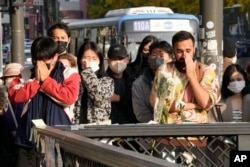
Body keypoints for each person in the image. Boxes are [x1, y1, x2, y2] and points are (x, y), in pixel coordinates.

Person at [8, 37, 80, 167]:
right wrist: (35, 82)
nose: (40, 63)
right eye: (37, 59)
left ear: (55, 57)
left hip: (59, 142)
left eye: (45, 59)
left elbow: (69, 97)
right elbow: (14, 96)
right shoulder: (25, 74)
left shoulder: (69, 73)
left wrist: (46, 81)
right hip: (28, 139)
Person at [132, 40, 173, 123]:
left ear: (170, 58)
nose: (157, 59)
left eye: (161, 55)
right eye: (154, 55)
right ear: (148, 58)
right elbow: (141, 113)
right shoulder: (138, 84)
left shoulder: (178, 79)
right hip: (151, 130)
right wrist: (159, 121)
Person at [76, 41, 114, 124]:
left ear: (100, 61)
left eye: (94, 59)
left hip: (96, 129)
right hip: (76, 127)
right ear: (79, 60)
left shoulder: (107, 81)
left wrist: (87, 71)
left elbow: (98, 95)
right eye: (86, 58)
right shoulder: (75, 79)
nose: (89, 62)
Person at [106, 44, 137, 124]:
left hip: (128, 126)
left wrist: (119, 98)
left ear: (127, 60)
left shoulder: (133, 81)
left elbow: (136, 103)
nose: (118, 62)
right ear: (108, 61)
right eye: (114, 59)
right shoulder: (102, 80)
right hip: (107, 126)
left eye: (120, 59)